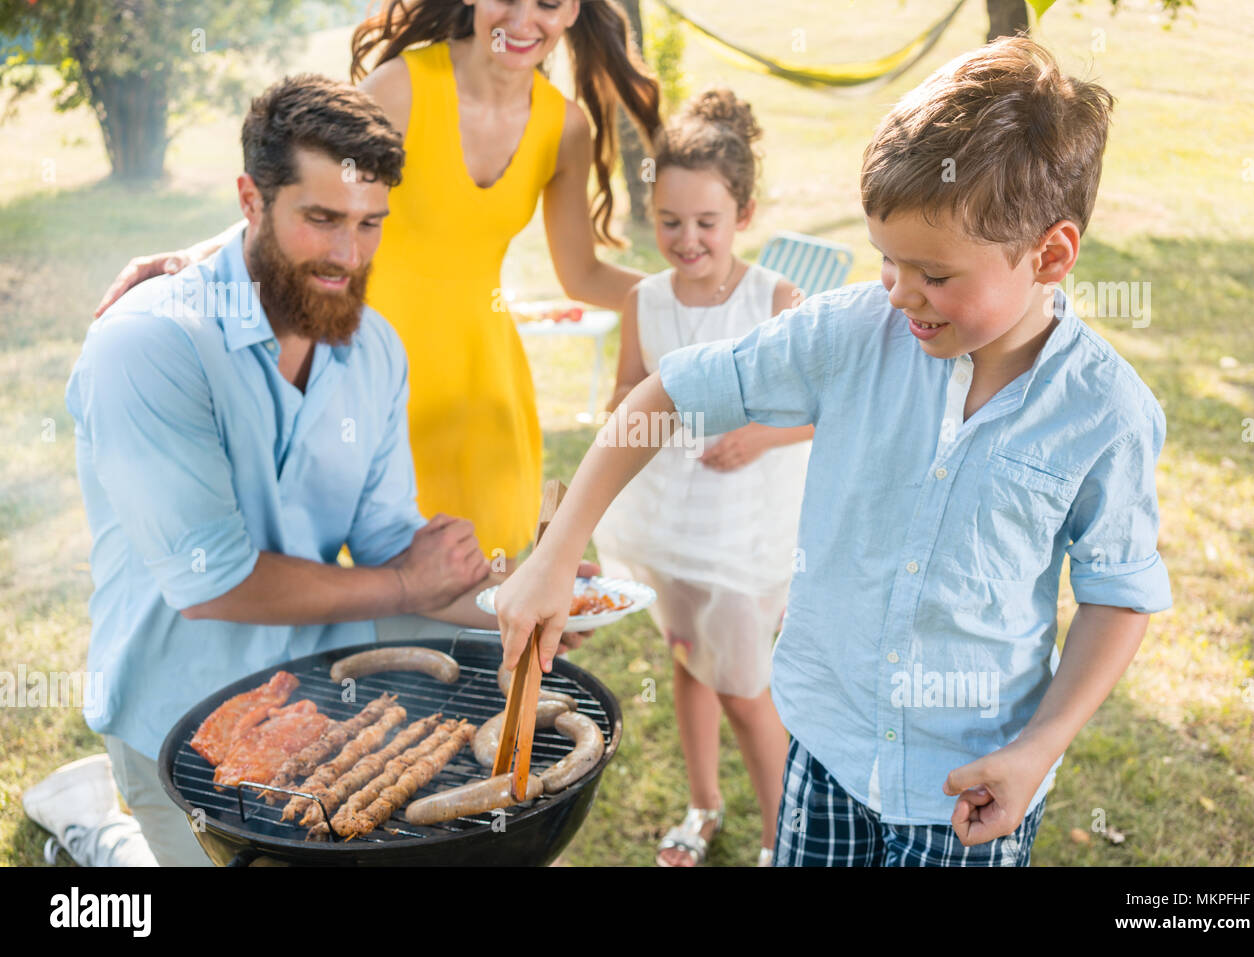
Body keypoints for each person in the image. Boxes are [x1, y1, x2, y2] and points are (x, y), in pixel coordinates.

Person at [493, 35, 1173, 866]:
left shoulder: (1108, 412)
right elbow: (662, 392)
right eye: (888, 260)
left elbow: (1118, 595)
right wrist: (558, 554)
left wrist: (1040, 748)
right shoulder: (853, 331)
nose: (900, 293)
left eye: (933, 273)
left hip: (973, 784)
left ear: (1051, 254)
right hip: (826, 748)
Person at [49, 75, 499, 865]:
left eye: (369, 224)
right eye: (320, 220)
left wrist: (521, 595)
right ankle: (94, 833)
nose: (348, 255)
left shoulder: (375, 349)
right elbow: (213, 581)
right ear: (250, 200)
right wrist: (403, 587)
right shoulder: (148, 345)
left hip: (317, 699)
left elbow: (390, 538)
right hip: (174, 719)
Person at [92, 0, 663, 578]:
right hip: (365, 365)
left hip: (483, 386)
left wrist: (704, 296)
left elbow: (581, 275)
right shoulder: (404, 87)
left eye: (546, 3)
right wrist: (197, 255)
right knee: (372, 576)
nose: (522, 21)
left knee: (484, 582)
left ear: (573, 11)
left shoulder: (564, 127)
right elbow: (307, 192)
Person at [589, 88, 810, 867]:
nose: (686, 240)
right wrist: (626, 408)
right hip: (667, 530)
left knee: (746, 690)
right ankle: (703, 804)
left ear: (742, 215)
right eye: (669, 221)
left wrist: (759, 435)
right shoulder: (643, 301)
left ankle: (787, 838)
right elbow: (628, 397)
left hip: (742, 537)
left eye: (705, 223)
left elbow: (828, 411)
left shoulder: (774, 300)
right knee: (688, 662)